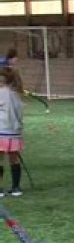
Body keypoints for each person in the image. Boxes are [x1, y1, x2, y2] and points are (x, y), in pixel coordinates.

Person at [0, 67, 24, 197]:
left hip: (2, 130)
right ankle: (16, 188)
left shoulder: (2, 93)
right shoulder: (17, 94)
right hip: (14, 132)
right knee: (14, 160)